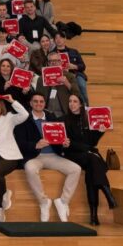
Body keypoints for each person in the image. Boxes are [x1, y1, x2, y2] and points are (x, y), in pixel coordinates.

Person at [14, 92, 82, 222]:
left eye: (41, 101)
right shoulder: (24, 118)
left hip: (53, 155)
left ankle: (63, 201)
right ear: (30, 103)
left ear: (45, 104)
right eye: (35, 101)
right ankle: (44, 202)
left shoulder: (52, 117)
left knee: (76, 169)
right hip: (35, 156)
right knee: (29, 168)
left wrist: (64, 143)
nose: (38, 104)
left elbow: (60, 137)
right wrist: (35, 145)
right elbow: (19, 142)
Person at [61, 94, 115, 225]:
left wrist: (100, 131)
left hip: (88, 156)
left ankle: (94, 217)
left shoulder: (88, 119)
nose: (72, 104)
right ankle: (107, 193)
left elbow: (93, 141)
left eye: (75, 101)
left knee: (92, 175)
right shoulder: (63, 120)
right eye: (70, 101)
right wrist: (87, 149)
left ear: (81, 104)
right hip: (72, 155)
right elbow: (69, 143)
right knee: (93, 160)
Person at [54, 32, 89, 104]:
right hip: (61, 76)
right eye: (56, 38)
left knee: (81, 86)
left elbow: (83, 66)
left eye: (61, 37)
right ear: (54, 40)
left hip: (76, 74)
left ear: (65, 39)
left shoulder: (74, 51)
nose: (58, 39)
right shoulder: (52, 53)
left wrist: (74, 66)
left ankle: (85, 108)